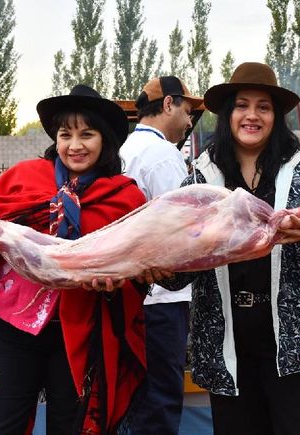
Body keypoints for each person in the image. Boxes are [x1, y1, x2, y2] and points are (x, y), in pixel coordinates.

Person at [155, 62, 300, 434]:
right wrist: (158, 263)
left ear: (275, 117)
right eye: (242, 105)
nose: (252, 115)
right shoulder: (201, 180)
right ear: (227, 114)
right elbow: (176, 273)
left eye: (263, 107)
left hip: (297, 350)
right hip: (229, 351)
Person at [0, 85, 148, 434]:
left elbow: (136, 272)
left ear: (104, 139)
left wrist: (115, 282)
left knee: (71, 427)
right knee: (1, 428)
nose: (74, 145)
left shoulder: (125, 197)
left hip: (79, 330)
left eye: (86, 134)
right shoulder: (21, 180)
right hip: (12, 327)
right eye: (66, 134)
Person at [119, 75, 202, 435]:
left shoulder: (122, 150)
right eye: (187, 111)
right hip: (162, 297)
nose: (188, 122)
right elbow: (182, 230)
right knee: (161, 400)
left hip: (129, 294)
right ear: (168, 104)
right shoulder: (164, 155)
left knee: (135, 400)